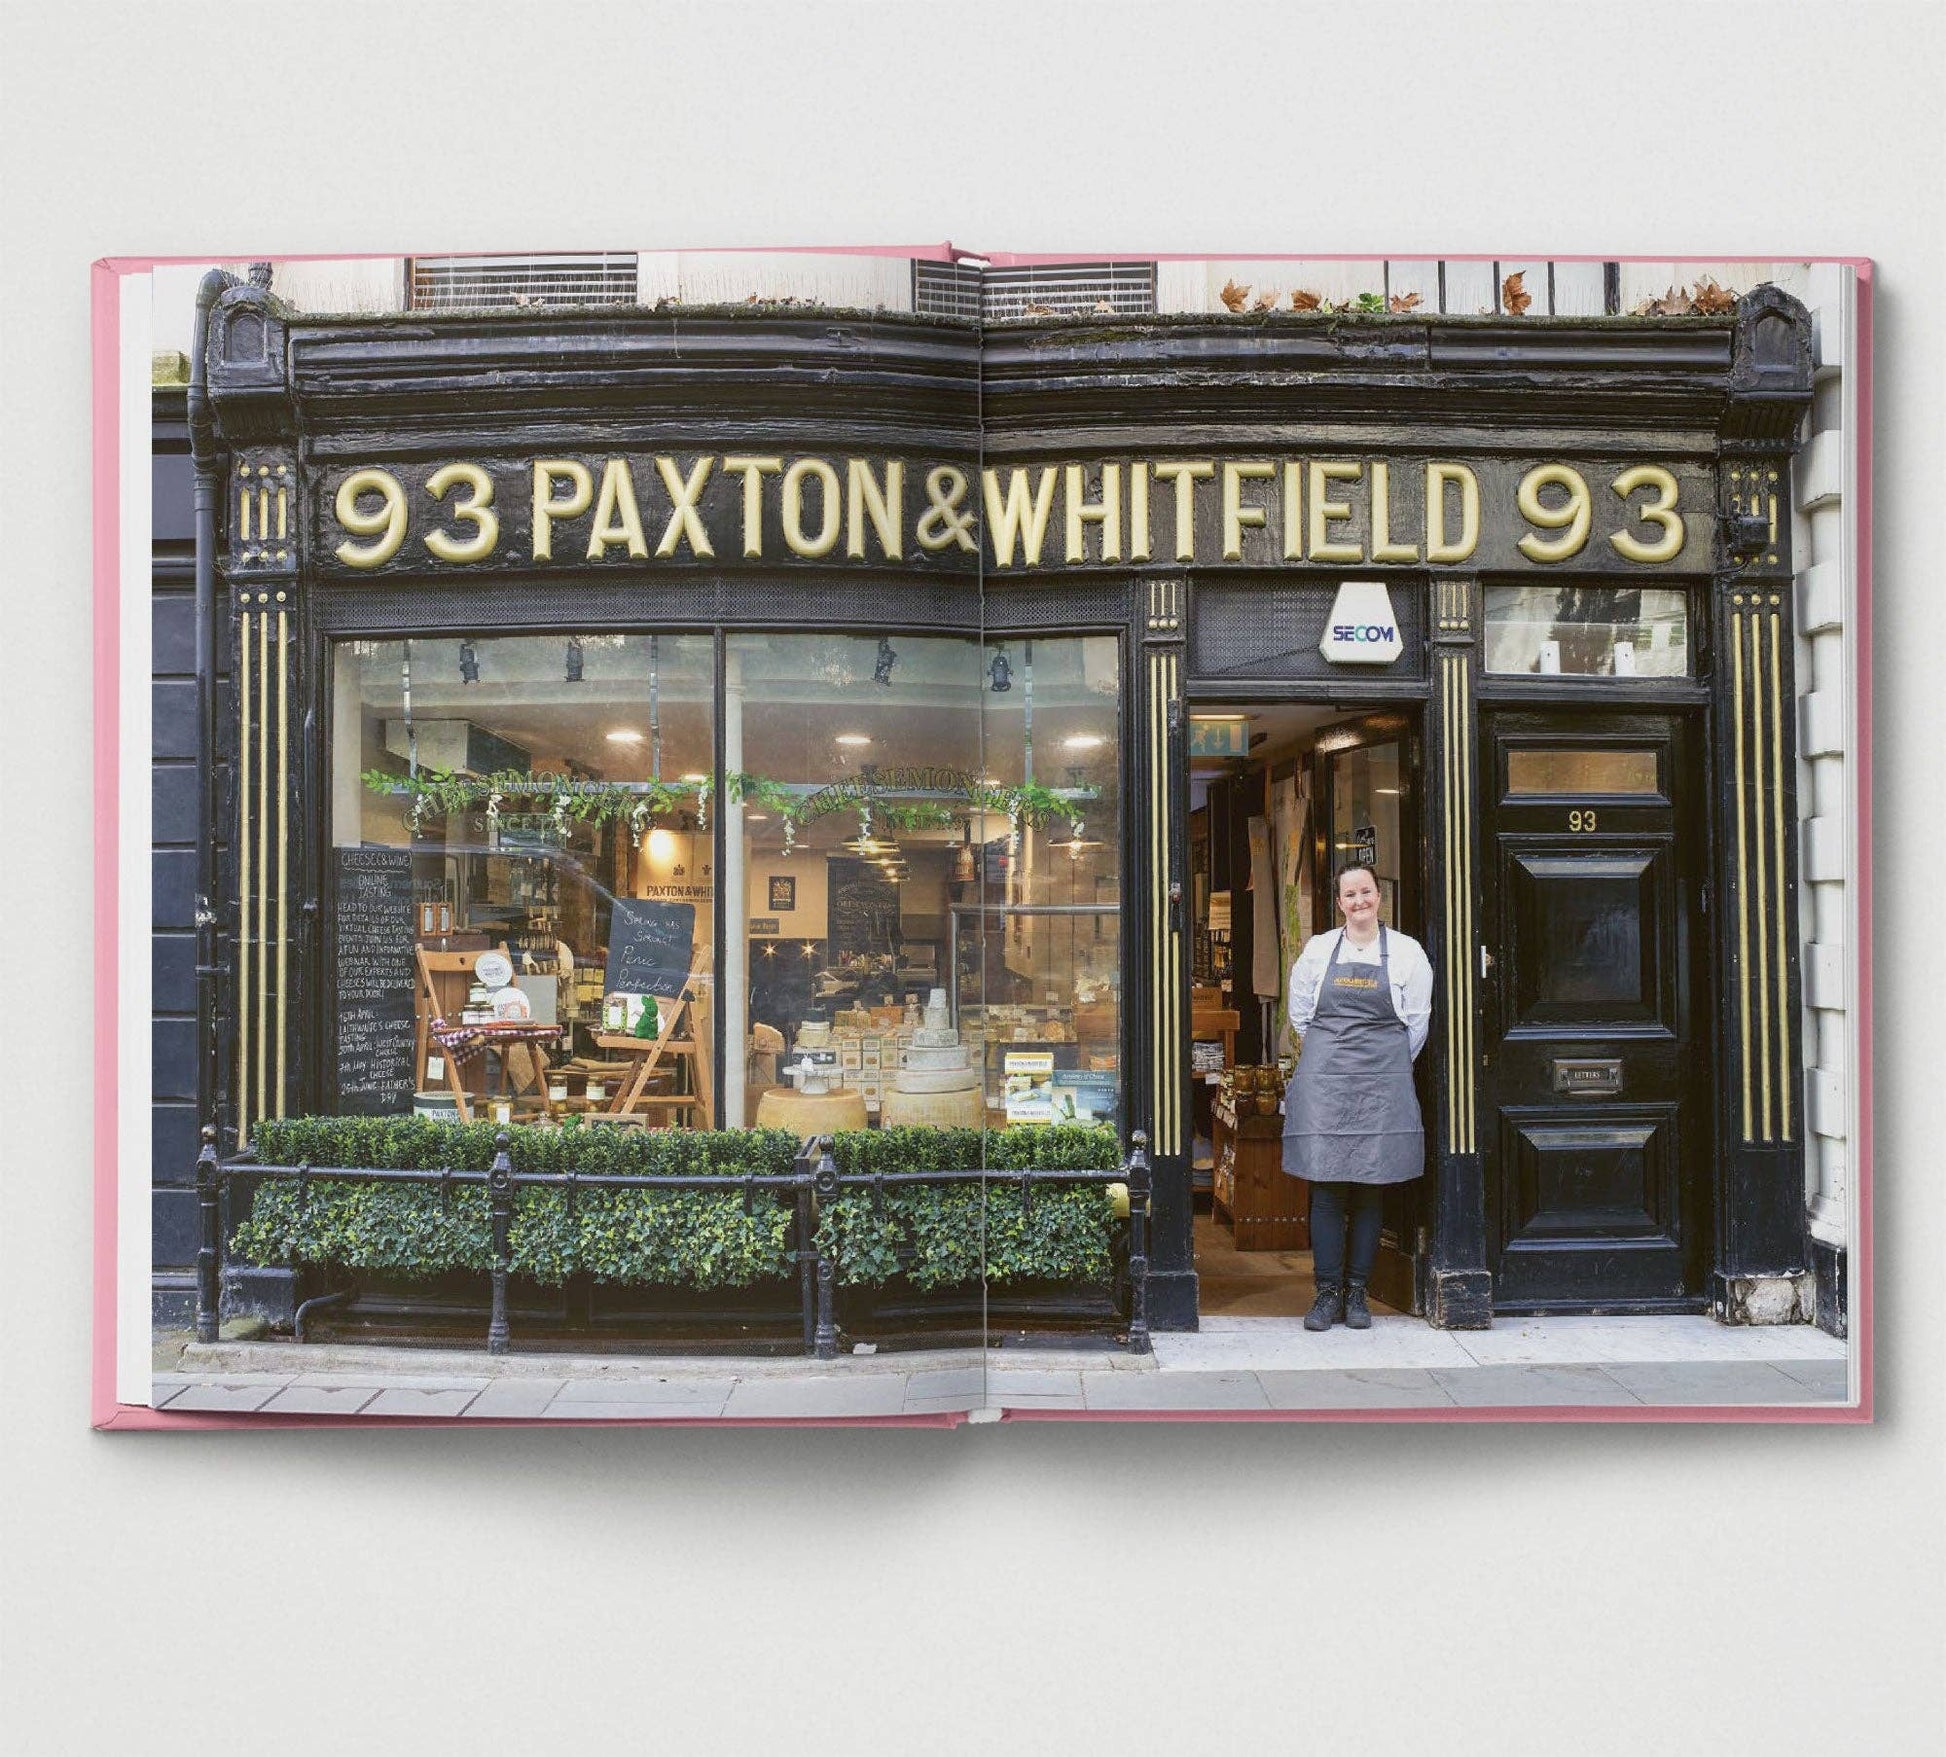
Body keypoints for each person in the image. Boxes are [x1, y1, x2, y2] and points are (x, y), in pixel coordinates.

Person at [1282, 863, 1432, 1331]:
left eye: (1365, 892)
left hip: (1380, 1086)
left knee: (1370, 1187)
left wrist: (1383, 1065)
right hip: (1327, 1082)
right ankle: (1326, 1294)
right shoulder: (1319, 949)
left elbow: (1417, 1023)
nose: (1359, 901)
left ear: (1378, 896)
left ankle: (1357, 1295)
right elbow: (1300, 1014)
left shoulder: (1408, 953)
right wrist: (1334, 1057)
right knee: (1326, 1189)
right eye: (1350, 894)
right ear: (1340, 901)